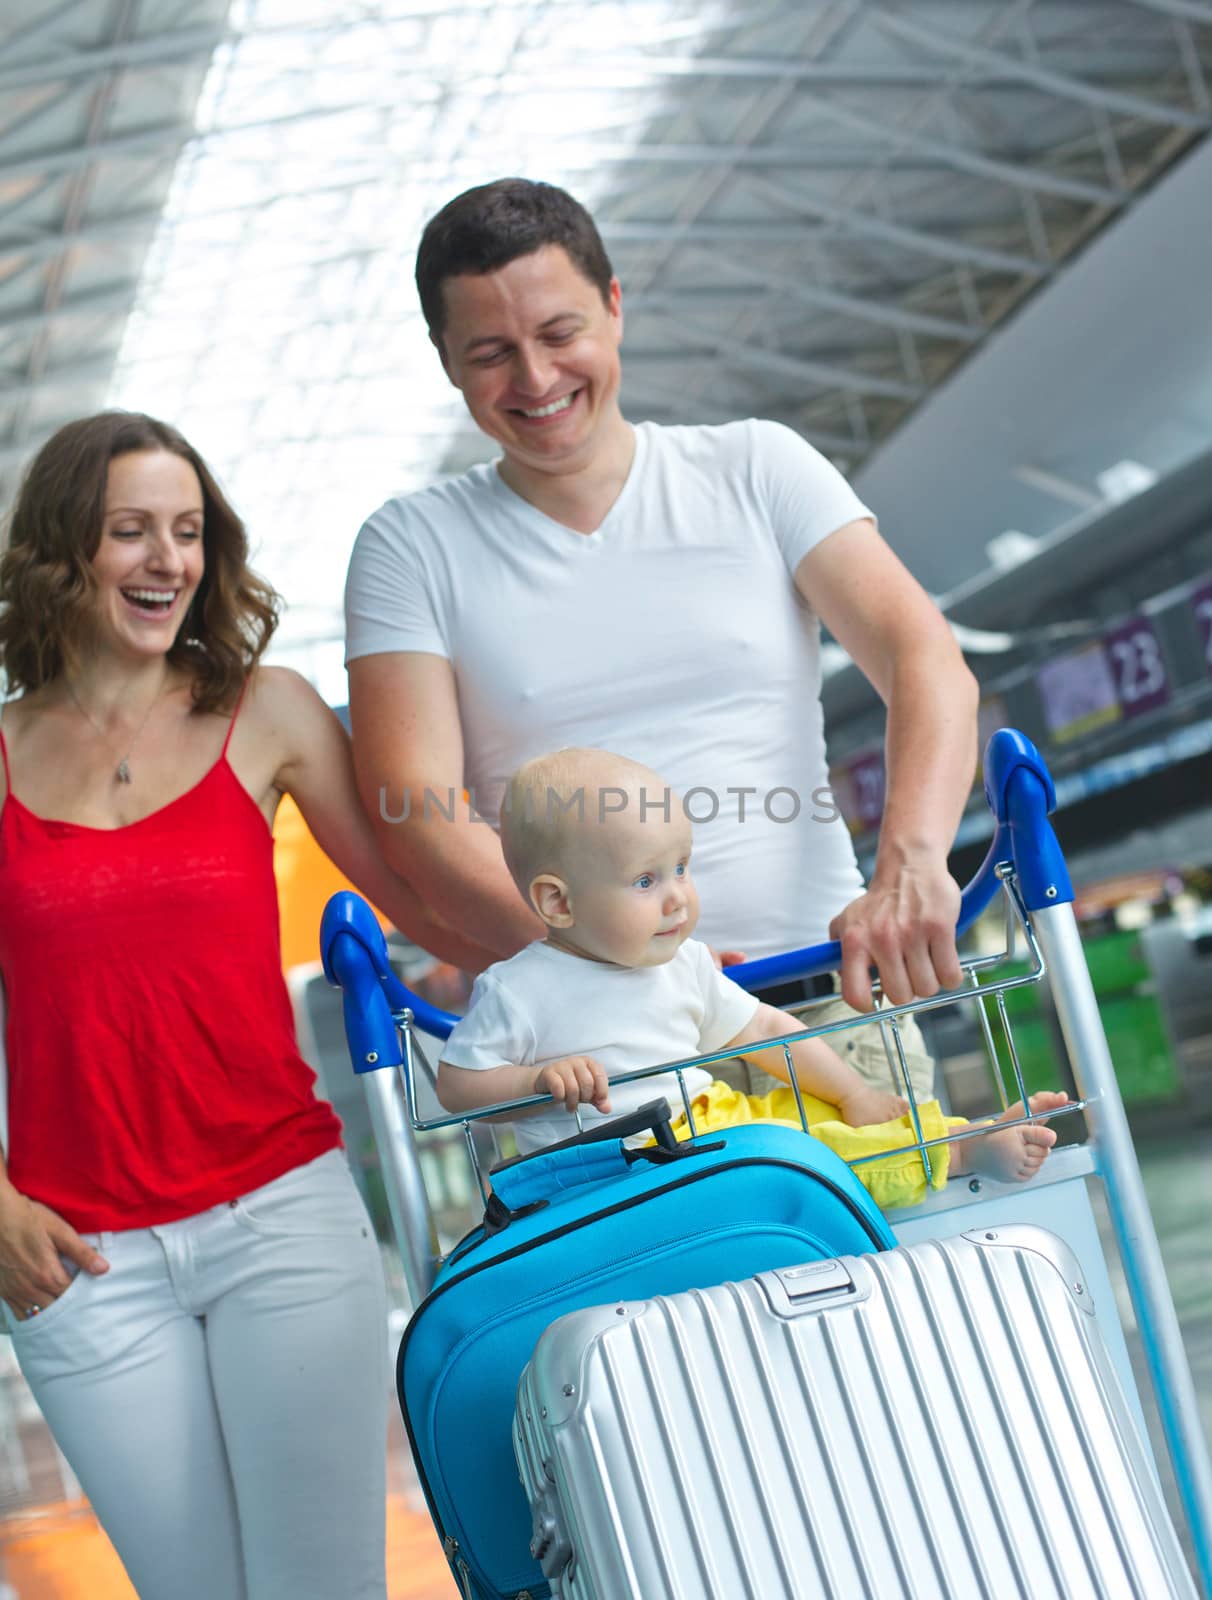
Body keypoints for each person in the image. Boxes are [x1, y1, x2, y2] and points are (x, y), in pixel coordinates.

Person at [0, 412, 496, 1600]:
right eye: (131, 532)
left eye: (188, 532)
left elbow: (421, 898)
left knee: (320, 1585)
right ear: (64, 552)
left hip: (279, 1216)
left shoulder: (265, 710)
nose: (169, 560)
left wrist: (624, 948)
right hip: (80, 1259)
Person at [344, 177, 980, 1100]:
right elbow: (419, 810)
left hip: (828, 1008)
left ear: (613, 306)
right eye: (490, 352)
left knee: (903, 1242)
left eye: (560, 334)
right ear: (446, 360)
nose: (534, 378)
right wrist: (622, 967)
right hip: (595, 1055)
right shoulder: (410, 546)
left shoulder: (757, 467)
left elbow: (925, 661)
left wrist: (913, 865)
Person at [436, 750, 1064, 1210]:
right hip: (627, 1166)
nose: (678, 898)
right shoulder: (518, 990)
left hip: (705, 1129)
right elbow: (457, 1085)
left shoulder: (680, 965)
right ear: (558, 903)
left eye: (682, 867)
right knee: (810, 1157)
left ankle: (955, 1131)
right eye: (646, 881)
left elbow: (763, 1028)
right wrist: (533, 1082)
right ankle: (953, 1155)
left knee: (817, 1115)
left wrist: (851, 1093)